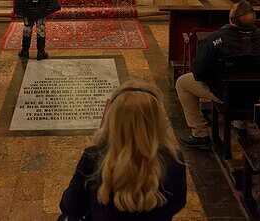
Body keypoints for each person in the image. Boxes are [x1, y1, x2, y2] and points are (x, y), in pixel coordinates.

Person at [60, 81, 187, 220]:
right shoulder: (174, 160)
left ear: (112, 119)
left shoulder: (94, 157)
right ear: (156, 121)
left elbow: (70, 206)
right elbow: (178, 203)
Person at [174, 1, 260, 149]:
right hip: (254, 93)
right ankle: (241, 122)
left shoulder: (216, 39)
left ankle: (200, 133)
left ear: (231, 18)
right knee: (244, 80)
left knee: (183, 83)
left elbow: (199, 71)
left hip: (224, 92)